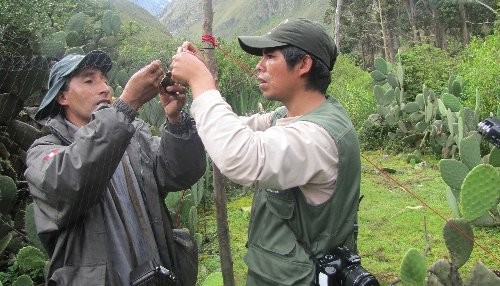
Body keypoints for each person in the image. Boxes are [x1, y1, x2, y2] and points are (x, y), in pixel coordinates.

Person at [170, 18, 362, 285]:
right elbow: (233, 131)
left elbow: (240, 156)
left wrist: (201, 82)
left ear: (304, 64)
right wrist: (180, 117)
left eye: (270, 56)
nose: (259, 66)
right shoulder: (289, 116)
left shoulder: (318, 136)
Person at [24, 50, 206, 285]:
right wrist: (126, 106)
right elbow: (69, 183)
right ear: (62, 97)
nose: (104, 88)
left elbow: (179, 173)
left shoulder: (132, 134)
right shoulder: (43, 151)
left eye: (105, 80)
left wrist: (176, 121)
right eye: (89, 80)